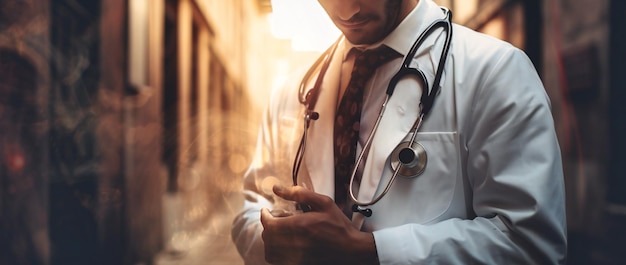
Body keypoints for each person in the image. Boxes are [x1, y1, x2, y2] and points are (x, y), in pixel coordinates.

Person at [231, 0, 567, 264]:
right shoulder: (293, 91)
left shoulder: (494, 71)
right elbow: (252, 204)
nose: (345, 10)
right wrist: (274, 240)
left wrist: (371, 251)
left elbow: (529, 244)